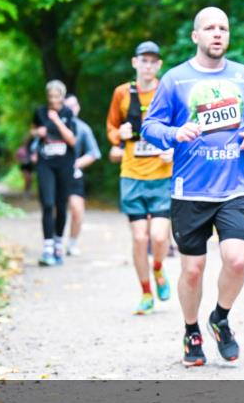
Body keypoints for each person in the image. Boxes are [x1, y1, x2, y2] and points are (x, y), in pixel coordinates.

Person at [142, 8, 244, 366]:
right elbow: (150, 125)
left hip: (235, 186)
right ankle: (191, 330)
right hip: (190, 190)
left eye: (223, 28)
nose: (217, 33)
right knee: (193, 270)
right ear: (196, 36)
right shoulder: (175, 80)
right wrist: (173, 133)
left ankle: (221, 318)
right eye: (209, 28)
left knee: (237, 259)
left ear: (228, 36)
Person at [107, 41, 174, 315]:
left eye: (153, 61)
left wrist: (173, 149)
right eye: (143, 61)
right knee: (138, 237)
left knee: (158, 238)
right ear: (135, 63)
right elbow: (111, 128)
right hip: (132, 175)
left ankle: (158, 268)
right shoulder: (122, 93)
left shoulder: (166, 92)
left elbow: (181, 126)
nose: (148, 66)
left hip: (161, 176)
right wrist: (117, 136)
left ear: (159, 65)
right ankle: (146, 292)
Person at [31, 80, 77, 266]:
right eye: (51, 96)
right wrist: (37, 132)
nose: (54, 100)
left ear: (63, 96)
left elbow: (72, 140)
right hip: (45, 163)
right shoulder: (40, 112)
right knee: (48, 204)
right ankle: (47, 246)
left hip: (65, 164)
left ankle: (58, 243)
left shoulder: (67, 113)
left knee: (61, 204)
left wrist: (57, 121)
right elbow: (32, 130)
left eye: (57, 96)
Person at [63, 95, 102, 256]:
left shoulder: (83, 128)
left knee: (77, 209)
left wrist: (77, 163)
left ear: (78, 107)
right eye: (68, 106)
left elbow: (94, 153)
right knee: (55, 210)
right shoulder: (54, 125)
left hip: (74, 174)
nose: (72, 109)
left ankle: (72, 242)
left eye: (74, 105)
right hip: (55, 175)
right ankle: (54, 241)